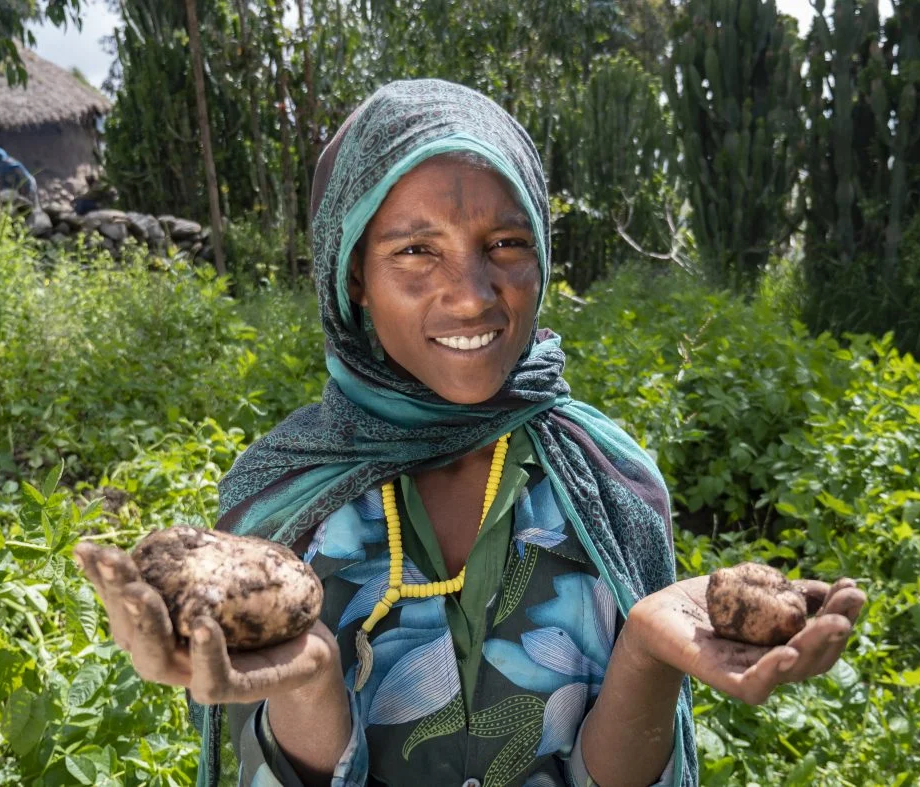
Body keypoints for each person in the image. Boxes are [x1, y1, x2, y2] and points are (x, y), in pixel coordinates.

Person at [74, 79, 865, 787]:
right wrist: (307, 684)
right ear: (353, 272)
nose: (472, 294)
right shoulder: (283, 501)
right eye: (416, 250)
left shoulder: (608, 482)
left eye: (506, 244)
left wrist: (648, 654)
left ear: (542, 257)